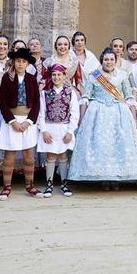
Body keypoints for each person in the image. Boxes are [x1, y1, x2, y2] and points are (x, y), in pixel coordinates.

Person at [69, 48, 137, 189]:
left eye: (111, 60)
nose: (109, 62)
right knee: (101, 145)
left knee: (117, 145)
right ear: (101, 61)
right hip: (98, 113)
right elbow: (86, 96)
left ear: (115, 61)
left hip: (119, 113)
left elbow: (128, 96)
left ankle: (116, 178)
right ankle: (103, 177)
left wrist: (134, 119)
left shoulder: (122, 75)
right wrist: (82, 119)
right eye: (106, 60)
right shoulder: (94, 76)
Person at [0, 47, 42, 200]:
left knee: (29, 156)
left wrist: (29, 121)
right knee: (10, 155)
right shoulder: (7, 78)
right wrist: (12, 121)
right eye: (18, 61)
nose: (20, 64)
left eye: (23, 61)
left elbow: (36, 103)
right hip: (12, 121)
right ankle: (7, 186)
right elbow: (1, 101)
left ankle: (30, 185)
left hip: (27, 121)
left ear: (27, 64)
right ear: (13, 62)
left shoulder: (31, 79)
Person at [37, 64, 79, 197]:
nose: (56, 77)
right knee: (50, 155)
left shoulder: (70, 92)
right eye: (54, 75)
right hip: (50, 128)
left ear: (64, 76)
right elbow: (41, 113)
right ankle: (49, 185)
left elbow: (75, 113)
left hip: (64, 128)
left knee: (63, 155)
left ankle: (64, 184)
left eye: (59, 75)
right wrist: (43, 130)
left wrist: (70, 131)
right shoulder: (45, 93)